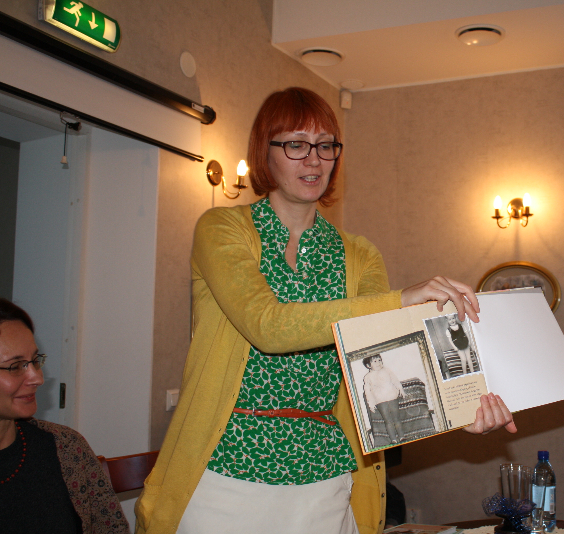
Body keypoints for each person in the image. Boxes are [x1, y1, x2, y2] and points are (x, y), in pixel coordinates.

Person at [135, 87, 517, 534]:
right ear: (264, 151)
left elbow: (379, 358)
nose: (314, 159)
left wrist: (457, 411)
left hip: (324, 478)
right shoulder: (222, 228)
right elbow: (268, 326)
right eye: (296, 144)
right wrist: (399, 300)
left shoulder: (360, 255)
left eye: (325, 145)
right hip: (225, 471)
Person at [0, 298, 129, 534]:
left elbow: (111, 528)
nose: (38, 378)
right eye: (15, 366)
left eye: (35, 361)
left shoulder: (67, 447)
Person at [363, 355, 406, 445]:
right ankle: (393, 439)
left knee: (397, 418)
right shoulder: (368, 377)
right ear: (368, 365)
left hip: (392, 397)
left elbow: (395, 380)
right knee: (388, 421)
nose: (378, 363)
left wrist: (401, 389)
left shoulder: (387, 371)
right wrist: (371, 403)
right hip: (380, 400)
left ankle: (402, 437)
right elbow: (367, 391)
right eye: (375, 361)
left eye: (380, 360)